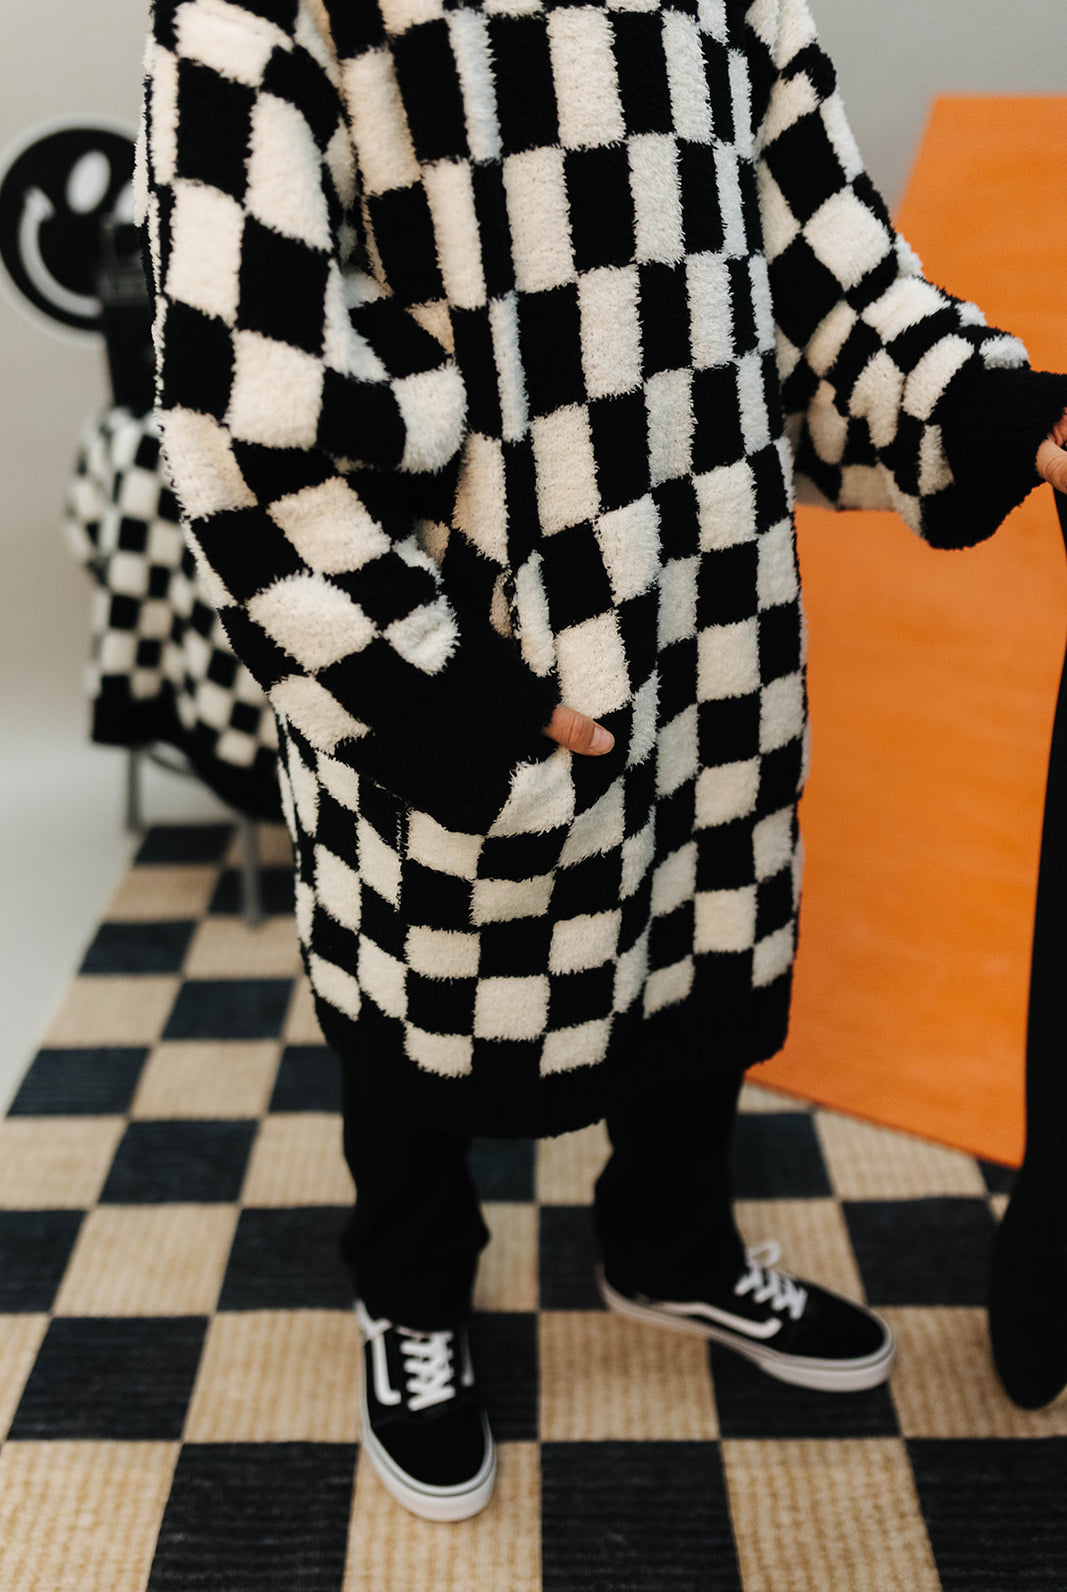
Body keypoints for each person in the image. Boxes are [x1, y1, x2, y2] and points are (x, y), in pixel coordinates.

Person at [136, 0, 1067, 1521]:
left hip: (707, 595)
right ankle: (415, 1294)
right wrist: (435, 687)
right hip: (472, 609)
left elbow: (835, 269)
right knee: (421, 987)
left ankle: (673, 1245)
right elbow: (244, 404)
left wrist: (993, 403)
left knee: (698, 941)